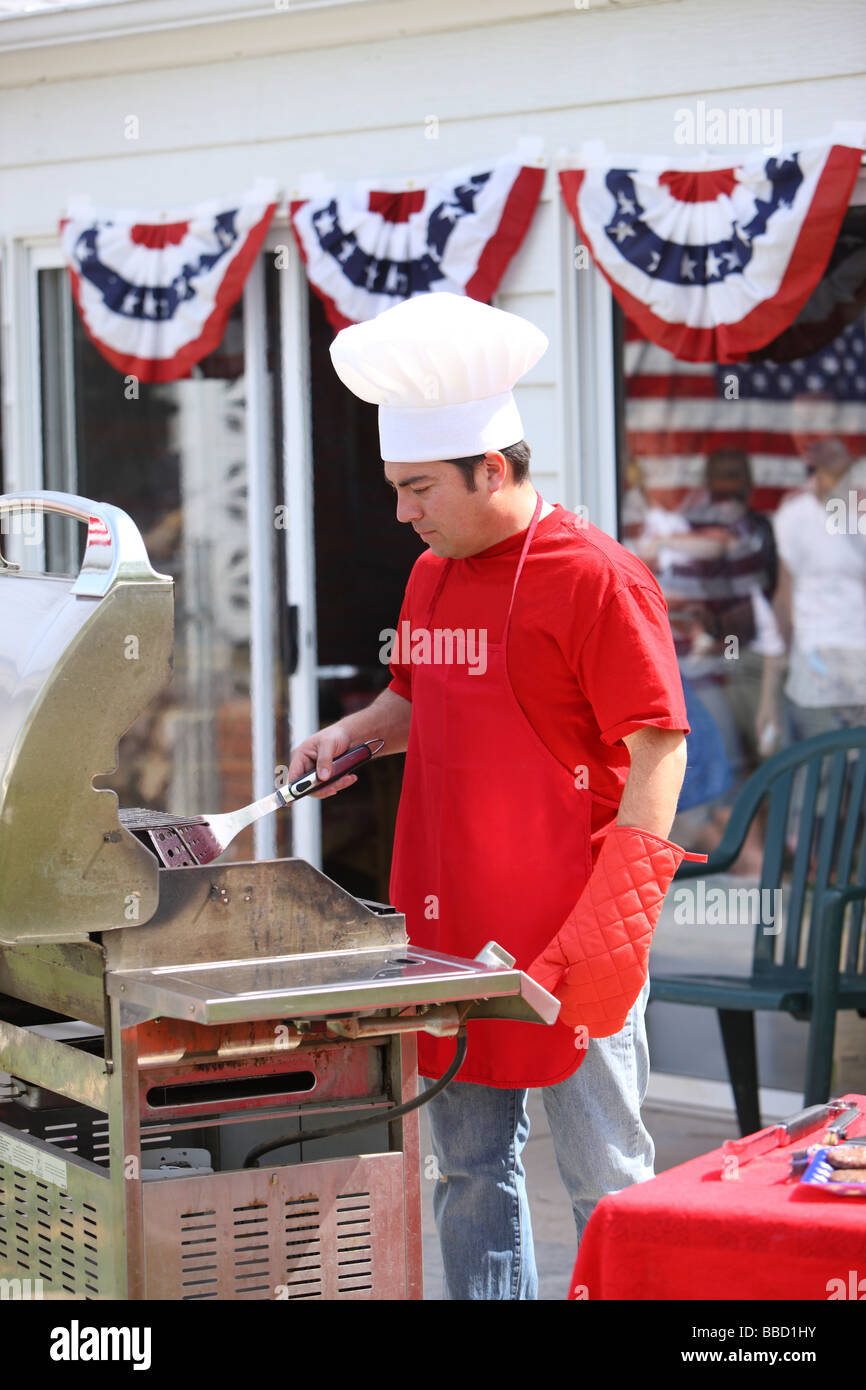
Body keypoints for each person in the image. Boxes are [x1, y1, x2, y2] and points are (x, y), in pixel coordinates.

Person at [287, 292, 692, 1300]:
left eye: (416, 487)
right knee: (468, 1170)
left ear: (493, 469)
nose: (400, 512)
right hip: (449, 929)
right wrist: (356, 734)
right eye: (394, 487)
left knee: (605, 1176)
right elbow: (419, 700)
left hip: (573, 932)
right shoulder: (429, 576)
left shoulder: (597, 578)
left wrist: (617, 921)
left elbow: (657, 751)